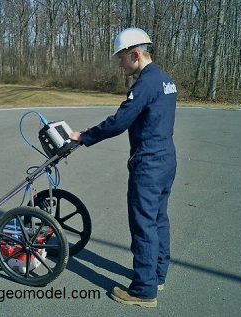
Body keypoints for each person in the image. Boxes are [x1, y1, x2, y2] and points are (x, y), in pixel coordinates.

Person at [70, 27, 177, 308]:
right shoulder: (166, 81)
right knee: (158, 219)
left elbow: (119, 121)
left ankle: (143, 291)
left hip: (149, 164)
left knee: (143, 225)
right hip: (166, 160)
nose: (119, 64)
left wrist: (84, 136)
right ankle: (157, 275)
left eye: (121, 58)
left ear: (136, 54)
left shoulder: (144, 84)